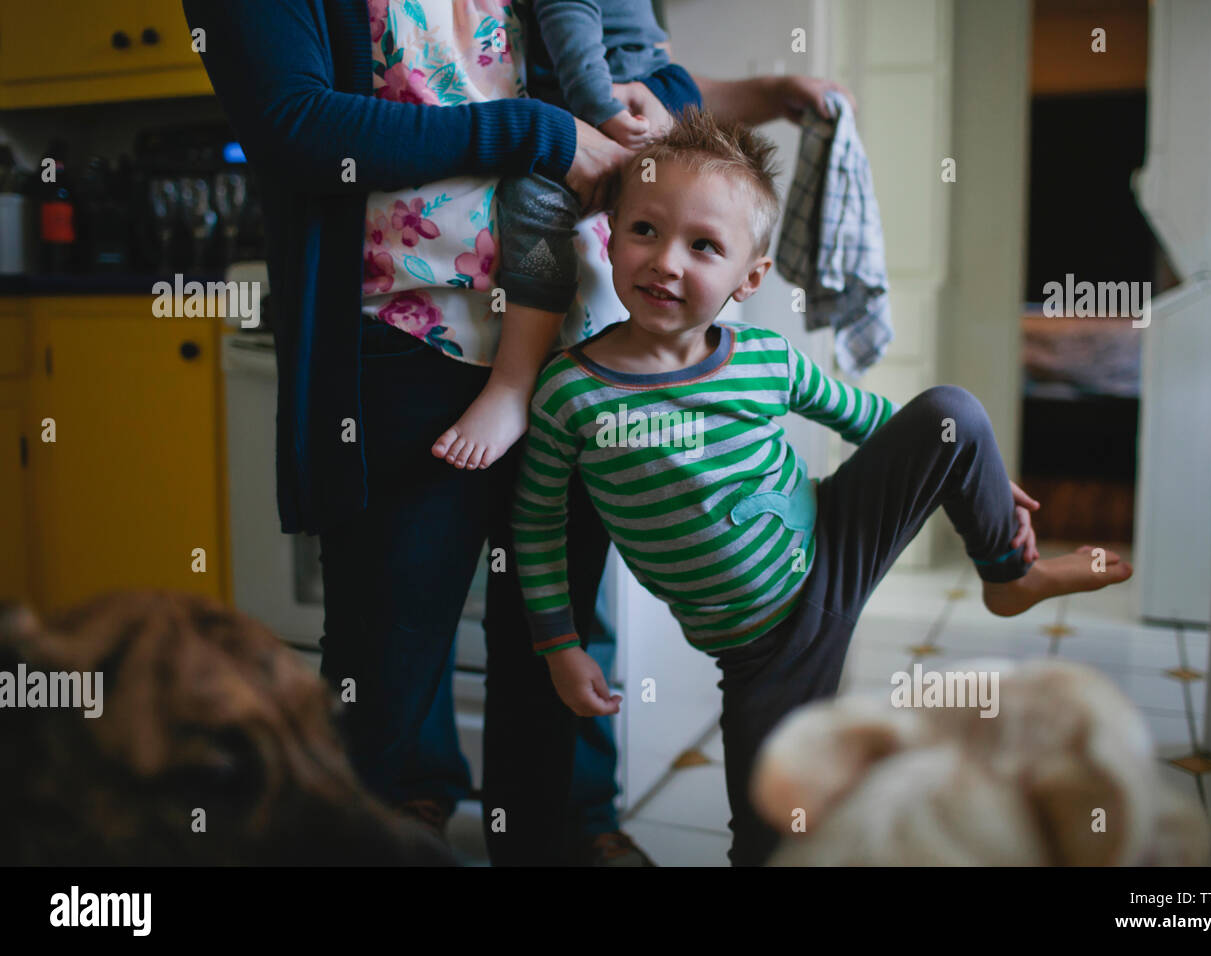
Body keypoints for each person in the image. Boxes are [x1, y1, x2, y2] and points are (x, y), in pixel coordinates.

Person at [183, 0, 855, 866]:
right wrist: (537, 131)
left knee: (557, 627)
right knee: (387, 646)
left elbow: (638, 71)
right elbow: (295, 123)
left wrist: (679, 98)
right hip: (400, 333)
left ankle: (555, 840)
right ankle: (376, 834)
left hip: (574, 341)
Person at [513, 106, 1135, 866]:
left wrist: (978, 473)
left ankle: (1012, 577)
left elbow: (869, 416)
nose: (666, 261)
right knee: (770, 831)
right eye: (646, 230)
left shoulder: (765, 360)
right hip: (764, 649)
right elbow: (538, 525)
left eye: (703, 246)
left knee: (951, 413)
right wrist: (559, 645)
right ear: (610, 234)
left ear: (750, 278)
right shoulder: (570, 394)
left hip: (833, 538)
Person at [431, 0, 695, 471]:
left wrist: (628, 108)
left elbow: (616, 38)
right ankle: (520, 385)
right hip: (624, 113)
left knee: (539, 201)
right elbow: (583, 28)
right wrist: (617, 112)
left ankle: (524, 382)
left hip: (630, 119)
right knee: (544, 205)